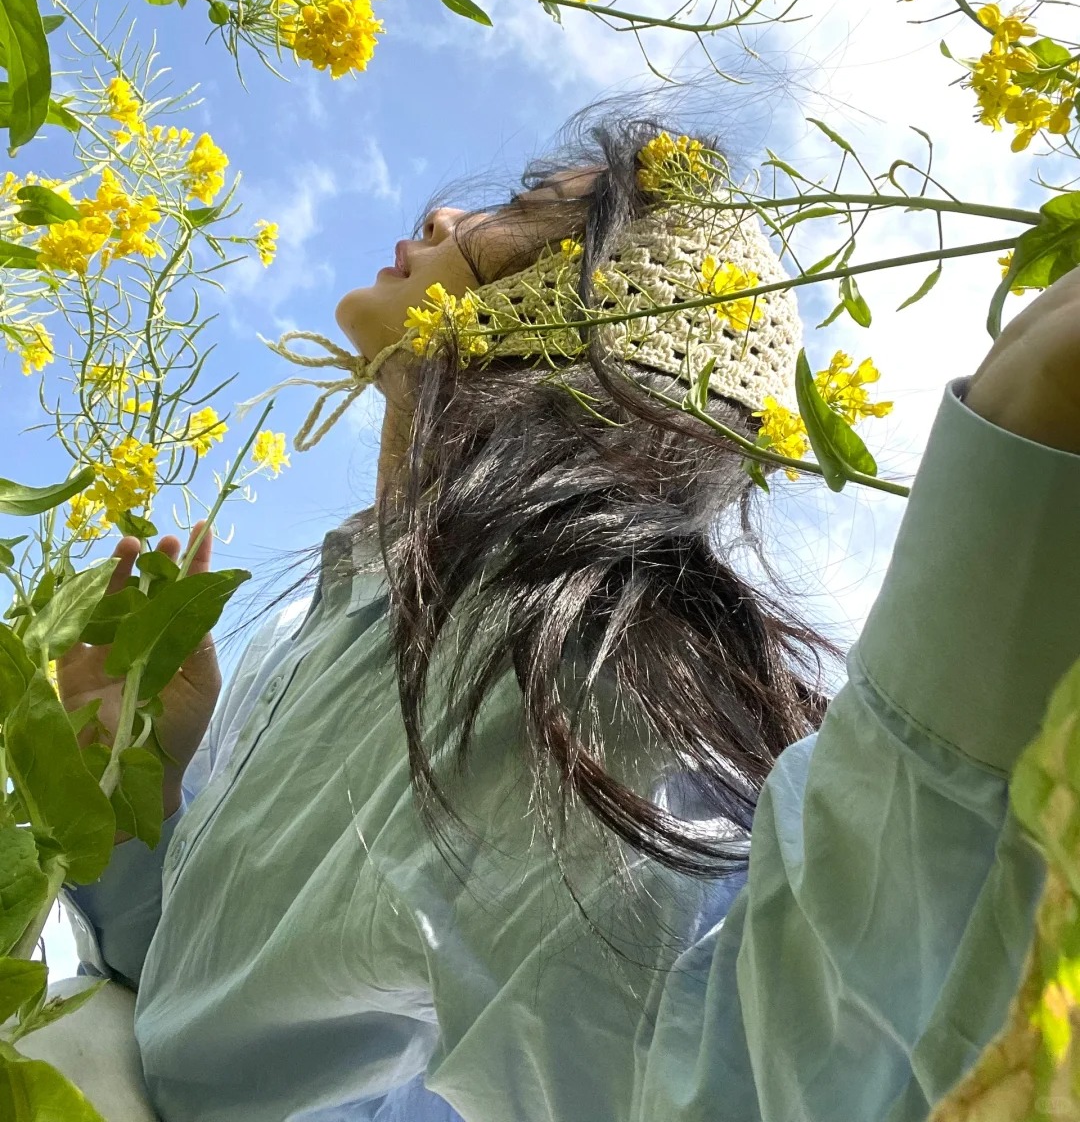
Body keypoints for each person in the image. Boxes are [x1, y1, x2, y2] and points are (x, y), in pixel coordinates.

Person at [56, 107, 1080, 1122]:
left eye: (527, 206)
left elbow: (763, 1077)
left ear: (592, 309)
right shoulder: (350, 610)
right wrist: (134, 784)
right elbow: (203, 1028)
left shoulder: (549, 675)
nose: (444, 209)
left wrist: (1022, 482)